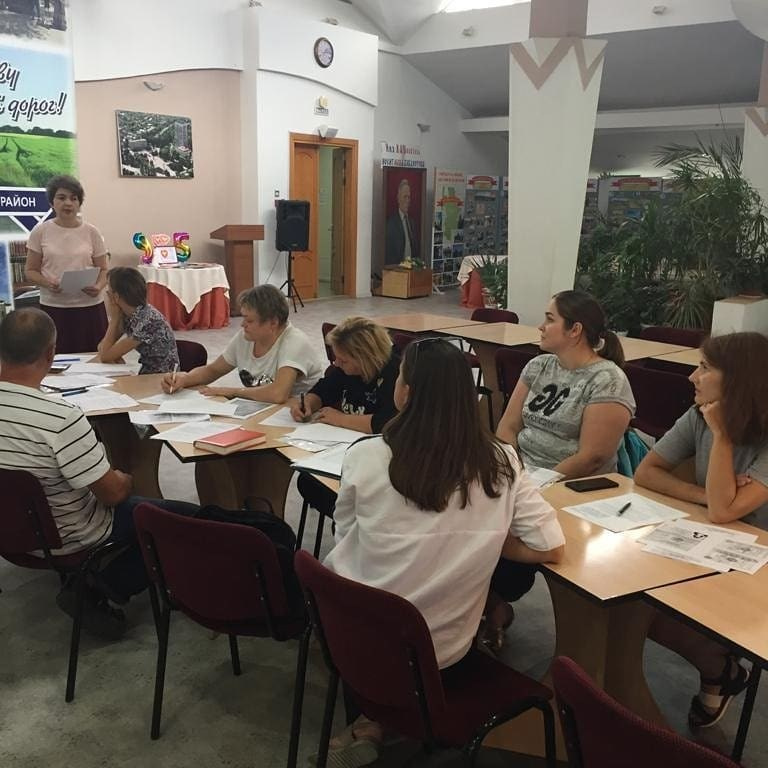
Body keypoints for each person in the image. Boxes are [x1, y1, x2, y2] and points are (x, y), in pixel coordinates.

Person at [321, 338, 565, 766]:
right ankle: (388, 719)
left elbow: (345, 537)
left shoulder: (365, 455)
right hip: (443, 655)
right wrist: (488, 535)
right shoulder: (501, 462)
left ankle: (375, 719)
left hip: (350, 640)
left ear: (405, 392)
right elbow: (550, 546)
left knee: (376, 589)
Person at [0, 309, 198, 639]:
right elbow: (113, 495)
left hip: (10, 533)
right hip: (69, 535)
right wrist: (124, 478)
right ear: (50, 354)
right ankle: (96, 587)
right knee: (186, 523)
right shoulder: (61, 418)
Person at [634, 331, 768, 729]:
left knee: (649, 612)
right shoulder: (699, 414)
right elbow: (646, 472)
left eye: (705, 368)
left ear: (738, 381)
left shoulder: (722, 422)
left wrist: (722, 436)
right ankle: (721, 668)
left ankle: (720, 669)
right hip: (710, 541)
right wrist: (706, 495)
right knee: (634, 608)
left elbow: (725, 512)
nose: (693, 377)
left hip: (757, 564)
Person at [496, 290, 635, 478]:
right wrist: (509, 471)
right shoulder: (538, 365)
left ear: (575, 330)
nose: (541, 327)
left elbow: (591, 458)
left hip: (568, 483)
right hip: (522, 474)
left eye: (550, 319)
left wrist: (537, 484)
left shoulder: (608, 380)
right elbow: (508, 426)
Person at [161, 284, 324, 402]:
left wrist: (233, 392)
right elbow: (213, 370)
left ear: (273, 323)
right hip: (263, 411)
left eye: (249, 320)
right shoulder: (246, 337)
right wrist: (185, 379)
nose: (242, 324)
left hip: (296, 417)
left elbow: (278, 394)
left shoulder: (294, 342)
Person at [25, 175, 109, 354]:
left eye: (74, 198)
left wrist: (99, 286)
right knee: (57, 358)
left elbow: (104, 269)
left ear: (79, 203)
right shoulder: (40, 232)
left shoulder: (92, 232)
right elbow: (30, 271)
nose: (68, 203)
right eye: (61, 198)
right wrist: (48, 283)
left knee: (95, 357)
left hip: (90, 307)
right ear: (52, 202)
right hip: (55, 307)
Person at [288, 316, 399, 433]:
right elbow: (324, 389)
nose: (336, 363)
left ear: (365, 359)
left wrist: (340, 419)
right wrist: (307, 403)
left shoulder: (394, 374)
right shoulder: (346, 370)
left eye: (343, 360)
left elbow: (387, 422)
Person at [96, 266, 179, 375]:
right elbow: (102, 348)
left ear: (115, 297)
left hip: (161, 377)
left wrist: (114, 320)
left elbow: (105, 356)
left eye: (108, 291)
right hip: (147, 373)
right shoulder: (129, 314)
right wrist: (112, 354)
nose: (107, 295)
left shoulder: (147, 320)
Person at [385, 178, 419, 265]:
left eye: (409, 197)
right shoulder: (391, 223)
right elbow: (389, 253)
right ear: (398, 198)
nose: (407, 200)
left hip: (411, 269)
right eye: (405, 196)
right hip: (397, 269)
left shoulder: (412, 223)